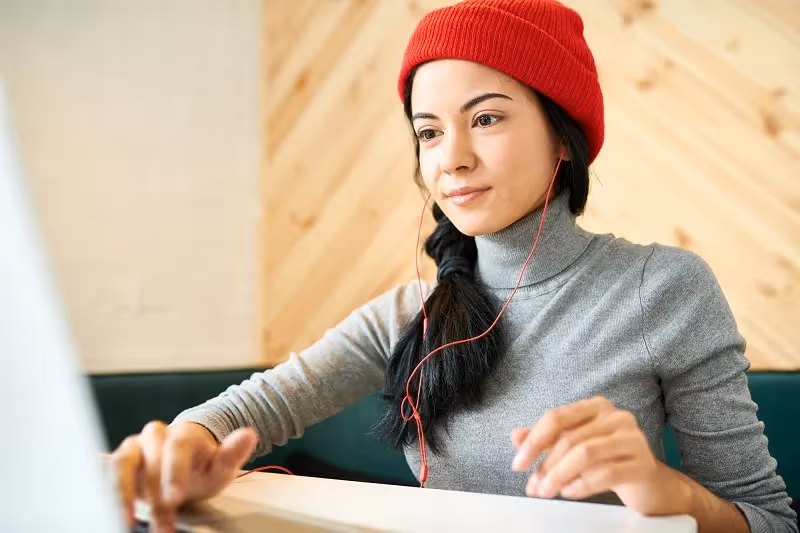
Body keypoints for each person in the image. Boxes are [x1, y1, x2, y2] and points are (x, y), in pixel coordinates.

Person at [109, 1, 797, 532]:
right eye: (429, 131)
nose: (451, 159)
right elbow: (248, 408)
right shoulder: (413, 311)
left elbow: (769, 517)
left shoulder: (664, 289)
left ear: (563, 134)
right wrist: (183, 447)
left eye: (487, 118)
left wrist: (666, 493)